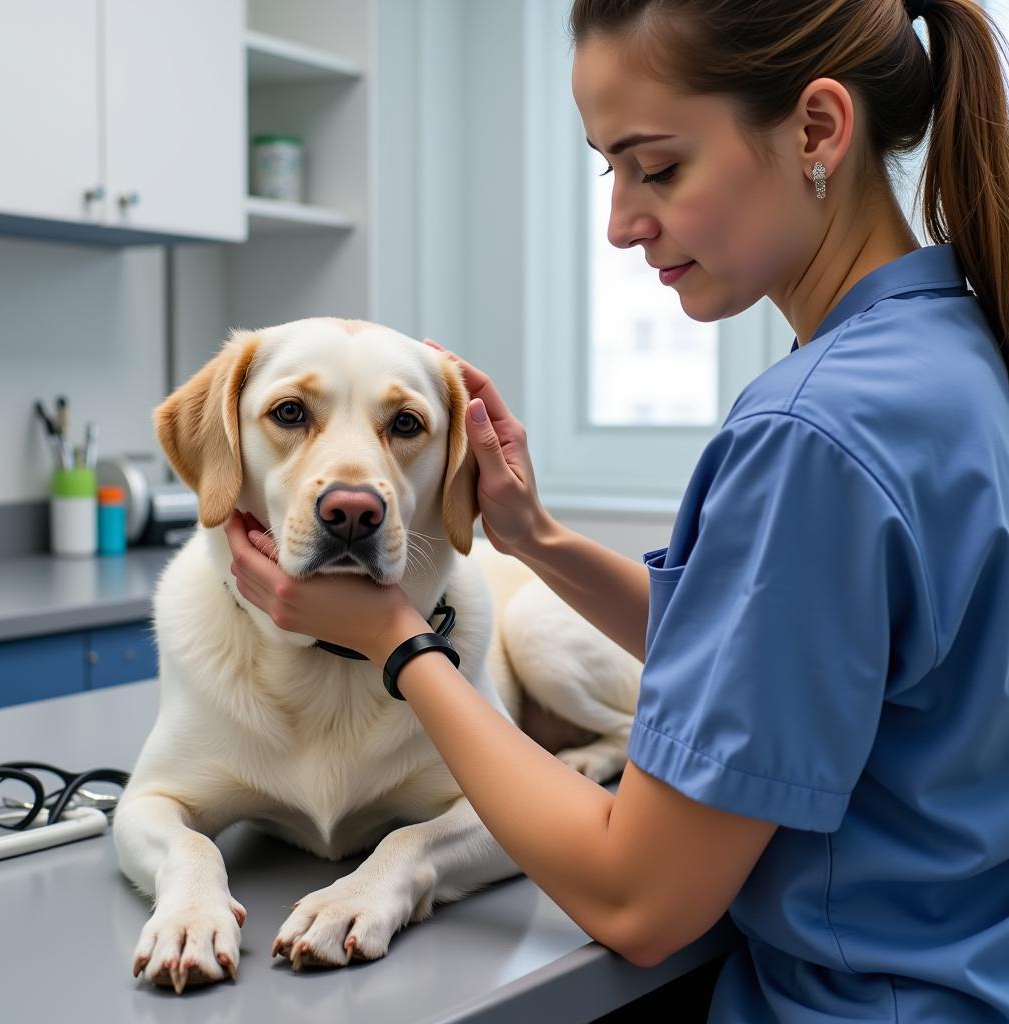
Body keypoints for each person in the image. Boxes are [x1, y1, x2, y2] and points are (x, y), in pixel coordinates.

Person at [224, 0, 1009, 1019]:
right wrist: (536, 541)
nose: (621, 223)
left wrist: (397, 640)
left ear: (817, 129)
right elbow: (795, 661)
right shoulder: (956, 352)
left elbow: (637, 898)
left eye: (658, 167)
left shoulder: (811, 434)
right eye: (610, 169)